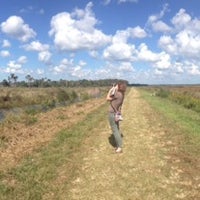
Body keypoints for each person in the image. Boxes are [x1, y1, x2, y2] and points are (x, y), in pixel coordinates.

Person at [106, 81, 127, 153]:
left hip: (112, 113)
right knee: (117, 129)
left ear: (119, 86)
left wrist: (111, 89)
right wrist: (115, 89)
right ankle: (118, 144)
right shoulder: (122, 94)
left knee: (115, 130)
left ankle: (119, 147)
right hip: (116, 114)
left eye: (117, 85)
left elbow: (107, 98)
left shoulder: (116, 94)